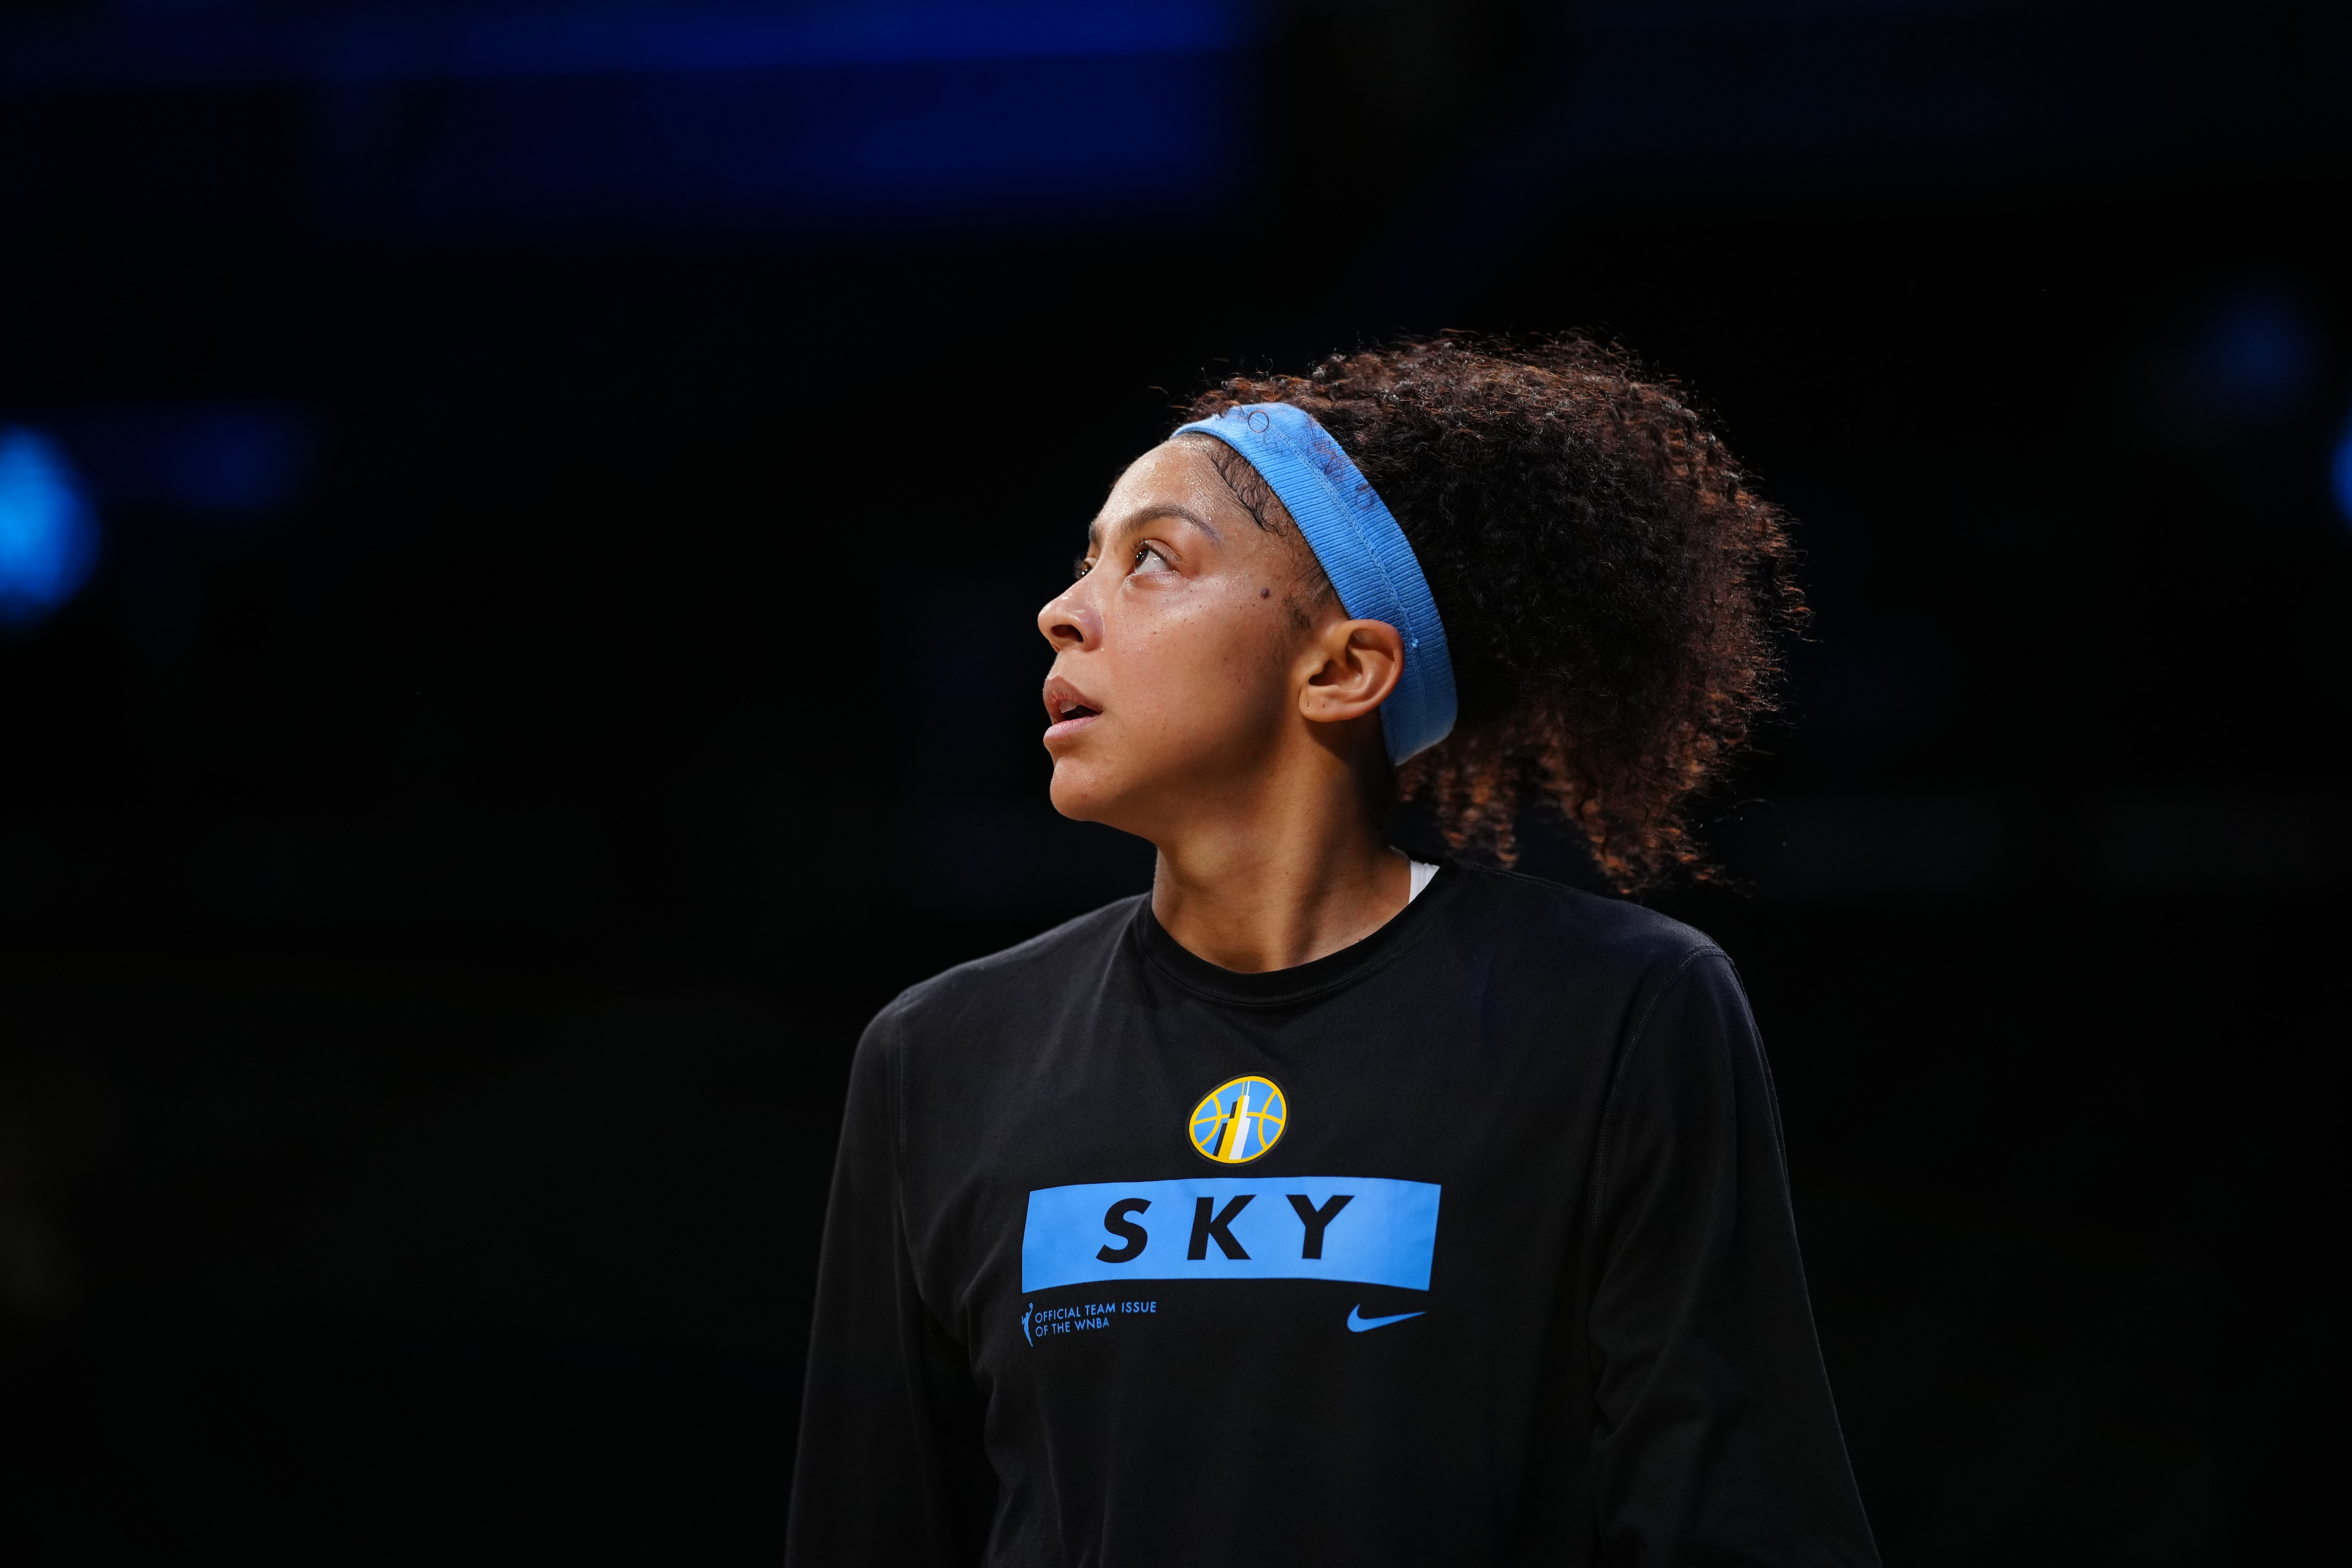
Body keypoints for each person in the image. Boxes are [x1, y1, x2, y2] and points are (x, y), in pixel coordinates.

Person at [786, 336, 1877, 1566]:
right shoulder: (941, 1054)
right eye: (1083, 559)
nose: (1063, 611)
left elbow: (1738, 1519)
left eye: (1153, 559)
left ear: (1346, 667)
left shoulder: (1621, 1011)